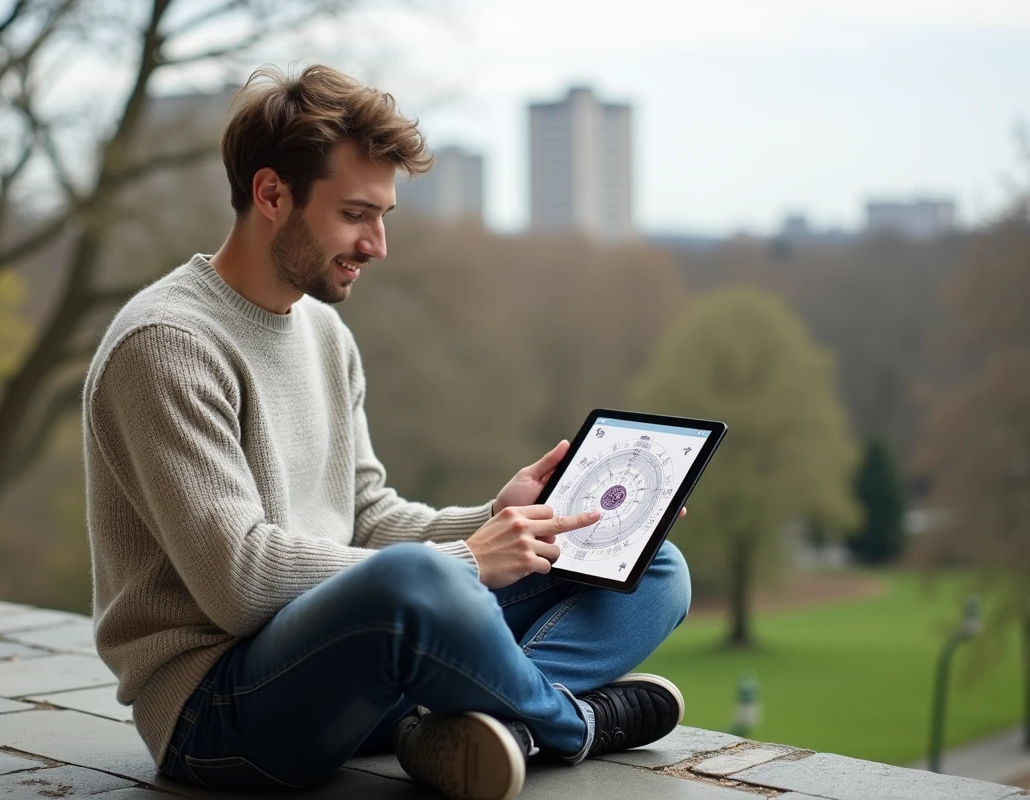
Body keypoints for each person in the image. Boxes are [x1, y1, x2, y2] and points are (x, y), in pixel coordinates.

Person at [82, 64, 692, 800]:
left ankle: (473, 724)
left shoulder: (324, 334)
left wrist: (503, 523)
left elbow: (367, 517)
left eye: (384, 216)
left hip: (359, 675)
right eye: (355, 214)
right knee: (426, 578)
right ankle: (567, 726)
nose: (377, 244)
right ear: (272, 194)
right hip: (219, 716)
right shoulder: (165, 342)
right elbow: (238, 583)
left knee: (647, 567)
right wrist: (467, 562)